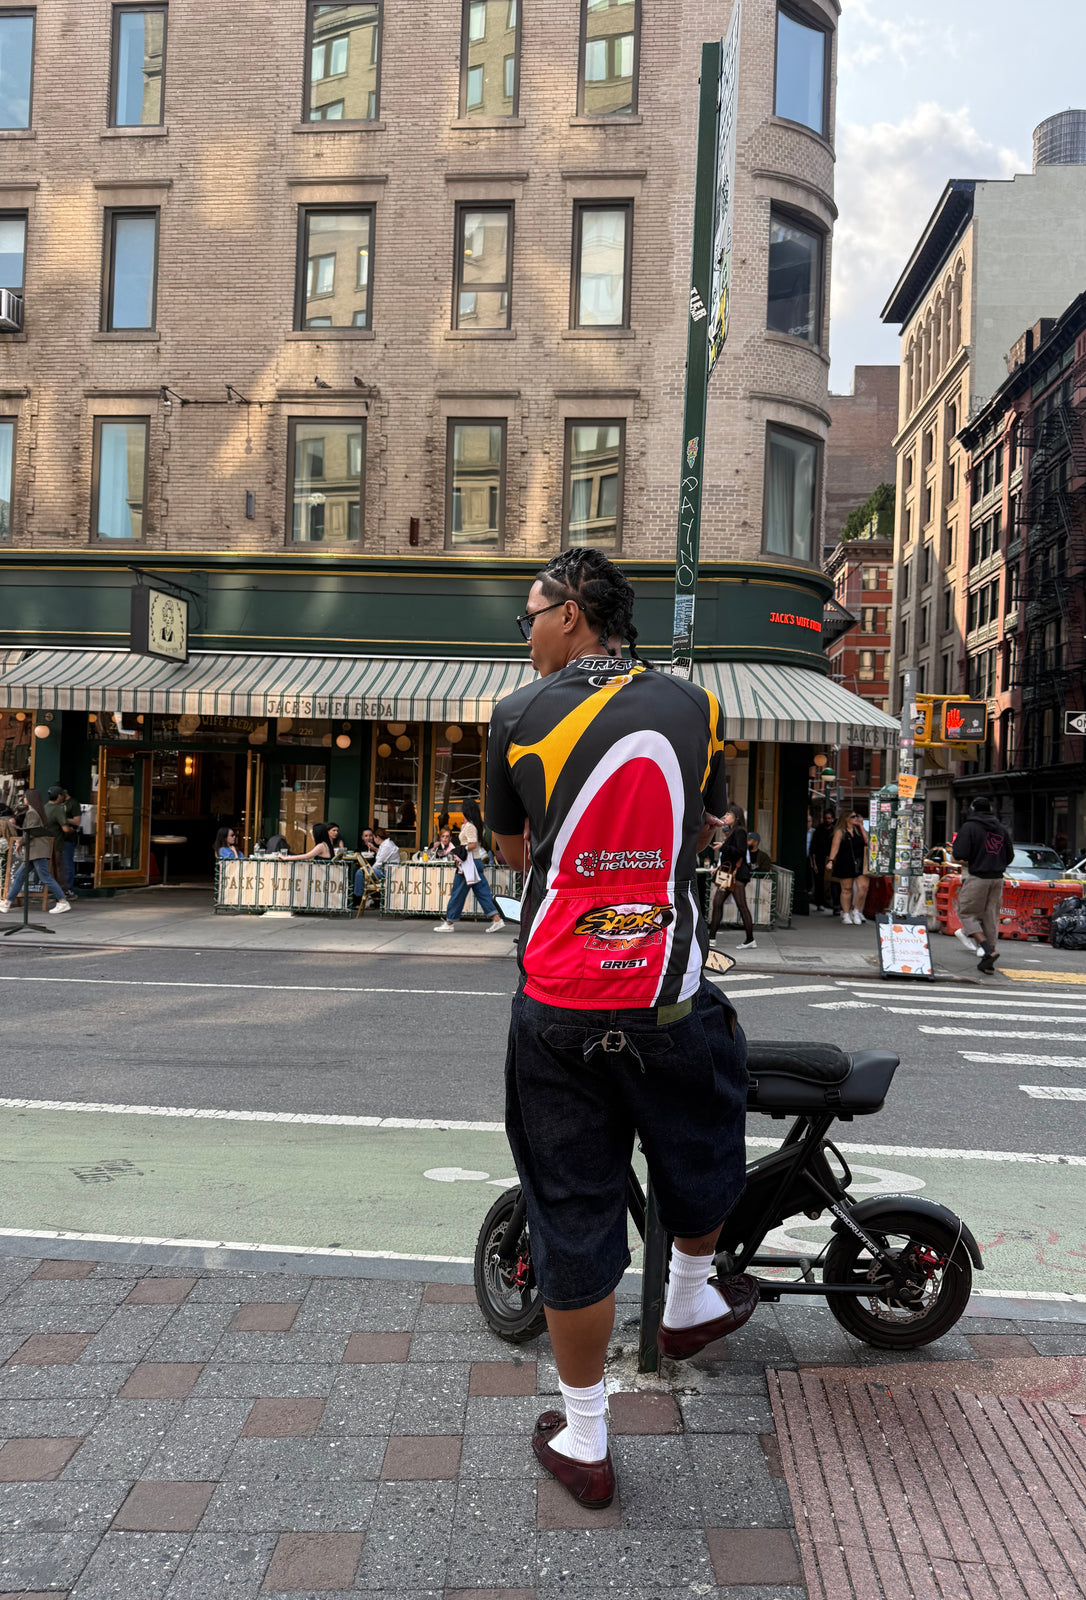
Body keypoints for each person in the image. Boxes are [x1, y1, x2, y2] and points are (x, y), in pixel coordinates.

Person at [486, 546, 754, 1512]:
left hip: (559, 1001)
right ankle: (688, 1294)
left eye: (529, 615)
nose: (525, 633)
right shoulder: (696, 706)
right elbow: (712, 822)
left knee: (571, 1211)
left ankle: (587, 1438)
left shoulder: (517, 716)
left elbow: (514, 852)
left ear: (571, 612)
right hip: (665, 993)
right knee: (707, 1127)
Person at [952, 796, 1014, 975]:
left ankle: (987, 949)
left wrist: (976, 857)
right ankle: (988, 963)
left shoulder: (970, 827)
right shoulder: (1001, 829)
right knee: (990, 917)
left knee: (967, 912)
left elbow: (960, 853)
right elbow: (1009, 856)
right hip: (997, 879)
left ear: (972, 809)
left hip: (978, 876)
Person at [434, 799, 505, 932]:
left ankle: (449, 923)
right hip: (474, 862)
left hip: (468, 864)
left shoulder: (470, 826)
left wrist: (460, 851)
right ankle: (496, 919)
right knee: (482, 892)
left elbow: (472, 844)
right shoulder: (475, 825)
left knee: (457, 893)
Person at [0, 789, 70, 914]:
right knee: (19, 876)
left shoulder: (32, 813)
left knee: (45, 877)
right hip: (35, 850)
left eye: (25, 797)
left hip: (36, 850)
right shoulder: (37, 812)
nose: (24, 799)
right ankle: (7, 902)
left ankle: (63, 901)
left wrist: (20, 843)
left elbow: (30, 832)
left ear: (30, 799)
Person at [708, 804, 756, 950]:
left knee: (741, 906)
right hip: (729, 875)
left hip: (736, 876)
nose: (725, 816)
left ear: (737, 817)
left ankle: (750, 939)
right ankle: (711, 938)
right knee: (718, 903)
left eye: (728, 814)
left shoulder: (739, 831)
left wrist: (723, 846)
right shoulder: (733, 831)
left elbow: (740, 851)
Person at [827, 808, 868, 925]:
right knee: (847, 889)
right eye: (853, 817)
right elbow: (835, 847)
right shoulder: (840, 832)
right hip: (845, 861)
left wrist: (861, 827)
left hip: (860, 861)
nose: (856, 818)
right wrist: (831, 860)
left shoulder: (859, 829)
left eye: (856, 816)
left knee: (863, 887)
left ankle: (856, 910)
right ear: (846, 819)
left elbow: (867, 841)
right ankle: (845, 913)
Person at [45, 784, 81, 898]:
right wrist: (72, 830)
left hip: (45, 843)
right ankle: (64, 892)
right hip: (58, 843)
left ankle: (47, 891)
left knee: (47, 868)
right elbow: (65, 828)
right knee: (62, 868)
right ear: (59, 796)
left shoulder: (44, 808)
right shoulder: (58, 809)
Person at [354, 827, 399, 902]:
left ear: (377, 837)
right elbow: (382, 854)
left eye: (373, 837)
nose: (373, 839)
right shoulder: (385, 845)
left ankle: (359, 898)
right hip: (386, 870)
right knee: (362, 872)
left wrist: (370, 871)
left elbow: (379, 863)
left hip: (389, 872)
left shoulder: (387, 846)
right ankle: (366, 897)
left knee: (360, 873)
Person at [807, 810, 835, 914]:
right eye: (826, 818)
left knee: (829, 882)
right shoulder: (818, 831)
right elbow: (813, 848)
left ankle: (828, 901)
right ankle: (820, 902)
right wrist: (814, 863)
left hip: (830, 858)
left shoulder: (834, 831)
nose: (827, 820)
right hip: (820, 859)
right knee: (819, 881)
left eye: (829, 818)